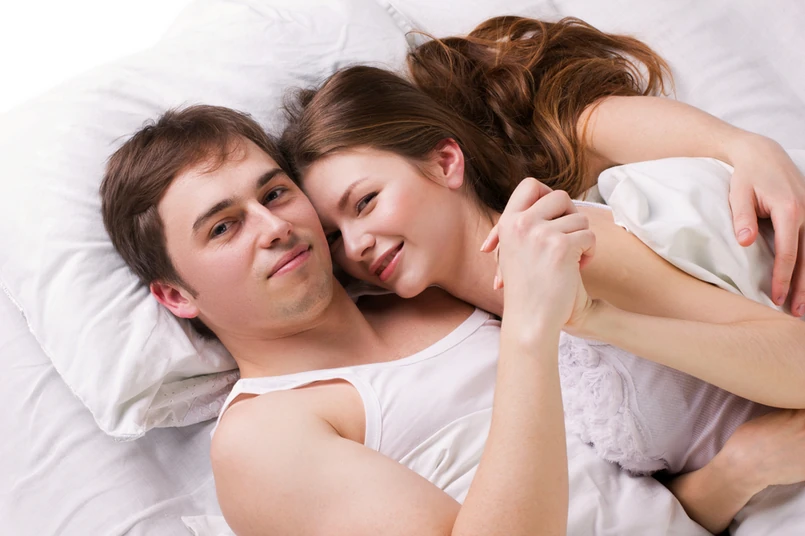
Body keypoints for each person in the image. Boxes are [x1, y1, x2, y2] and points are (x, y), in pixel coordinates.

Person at [101, 106, 805, 535]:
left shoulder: (423, 280)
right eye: (223, 227)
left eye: (276, 193)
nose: (273, 226)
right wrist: (532, 327)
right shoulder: (262, 437)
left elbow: (546, 118)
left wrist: (738, 144)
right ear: (176, 296)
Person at [281, 17, 805, 533]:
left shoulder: (570, 246)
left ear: (445, 162)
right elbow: (664, 503)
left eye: (365, 202)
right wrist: (739, 469)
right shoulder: (490, 338)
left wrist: (592, 319)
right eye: (333, 236)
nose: (355, 246)